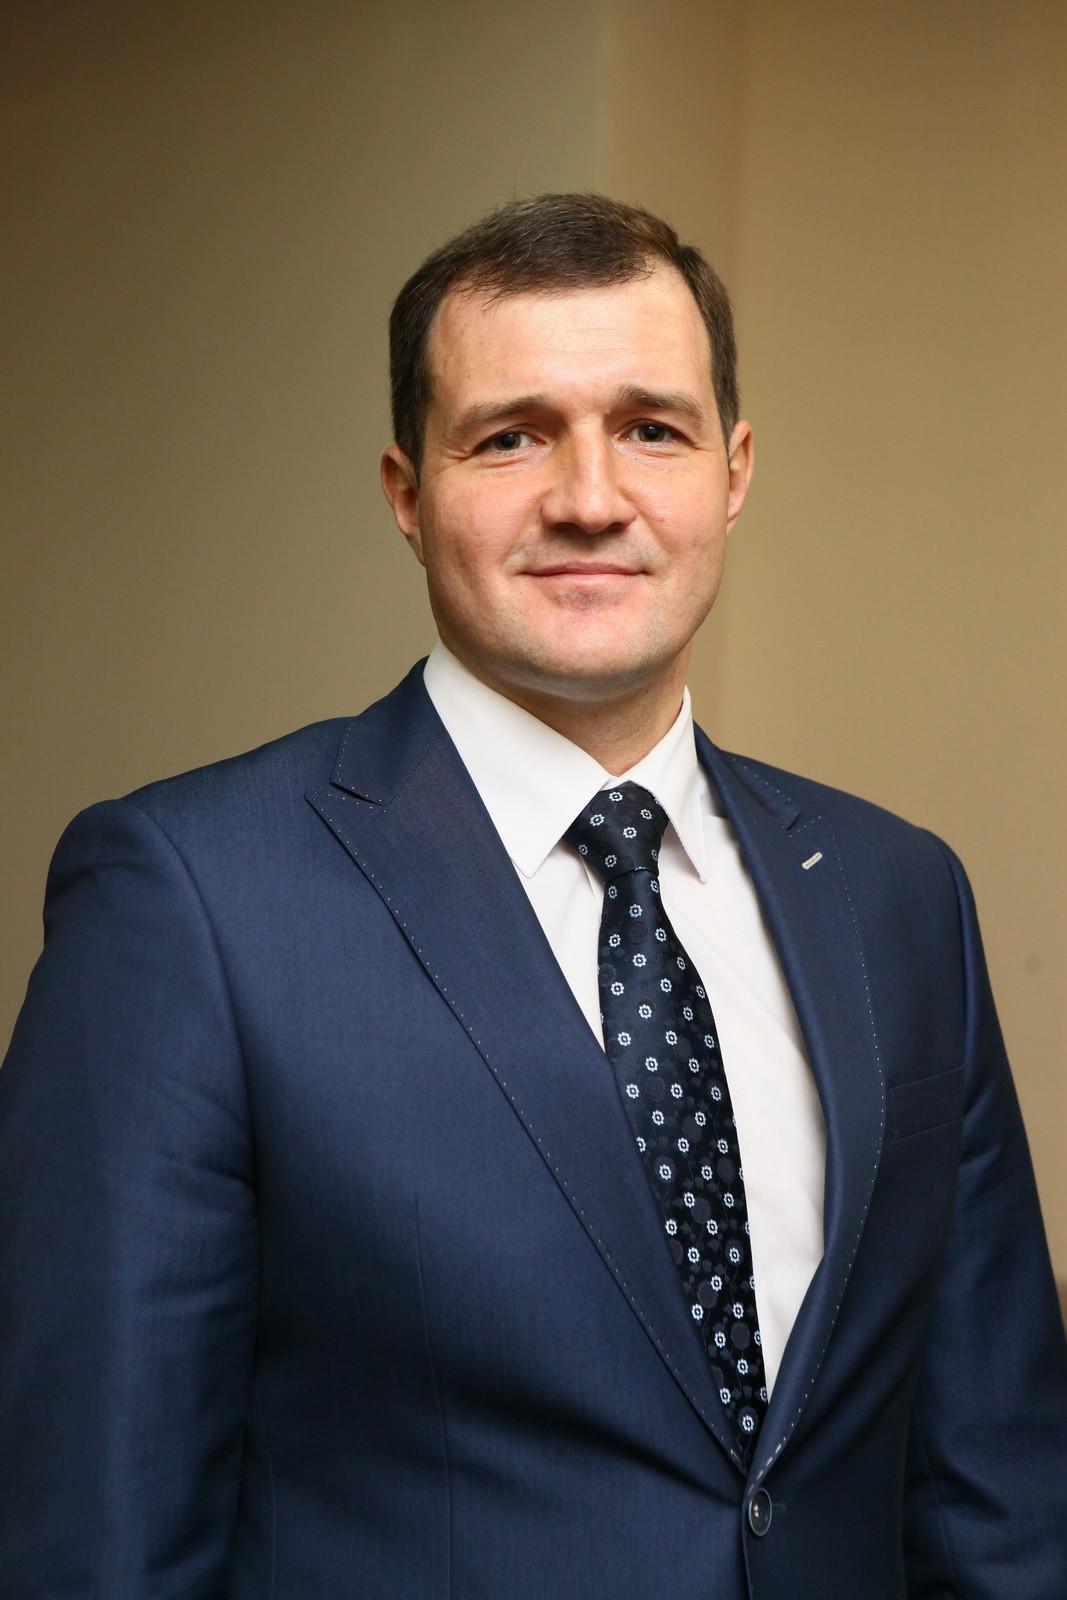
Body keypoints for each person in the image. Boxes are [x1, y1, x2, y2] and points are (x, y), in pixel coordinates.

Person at [0, 193, 1064, 1599]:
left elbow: (999, 1500)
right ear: (407, 493)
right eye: (511, 436)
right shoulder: (188, 899)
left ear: (734, 471)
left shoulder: (899, 895)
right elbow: (99, 1534)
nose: (591, 498)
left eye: (653, 429)